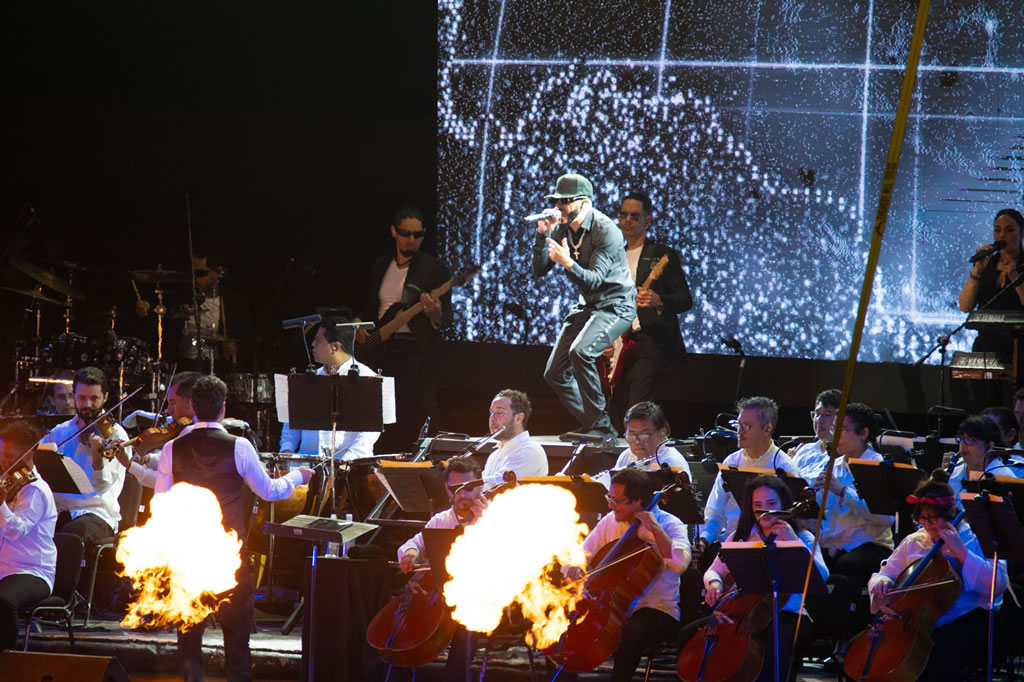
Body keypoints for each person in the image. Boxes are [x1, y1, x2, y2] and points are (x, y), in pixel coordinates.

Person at [154, 375, 313, 682]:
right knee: (238, 642)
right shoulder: (239, 446)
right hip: (231, 556)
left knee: (189, 640)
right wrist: (298, 477)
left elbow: (162, 502)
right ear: (223, 408)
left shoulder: (171, 448)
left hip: (187, 558)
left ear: (193, 407)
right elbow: (269, 490)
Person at [867, 469, 1007, 682]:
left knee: (939, 653)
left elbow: (998, 584)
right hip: (918, 620)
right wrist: (882, 581)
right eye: (923, 518)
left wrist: (961, 552)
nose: (927, 524)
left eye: (933, 518)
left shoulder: (976, 538)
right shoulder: (915, 540)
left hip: (970, 617)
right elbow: (885, 572)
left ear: (950, 512)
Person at [560, 468, 690, 681]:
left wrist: (654, 530)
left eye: (617, 501)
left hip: (656, 608)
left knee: (634, 629)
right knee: (562, 619)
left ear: (638, 502)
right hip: (610, 605)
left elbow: (679, 564)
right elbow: (580, 553)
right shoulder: (610, 521)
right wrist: (574, 566)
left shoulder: (670, 524)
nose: (610, 505)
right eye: (609, 498)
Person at [533, 173, 636, 441]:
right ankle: (595, 424)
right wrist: (541, 237)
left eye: (565, 201)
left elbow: (594, 280)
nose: (559, 206)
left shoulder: (606, 230)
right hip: (588, 306)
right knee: (554, 373)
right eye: (556, 201)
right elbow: (539, 270)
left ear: (585, 203)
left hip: (616, 305)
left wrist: (568, 263)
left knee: (581, 352)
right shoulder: (562, 227)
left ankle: (601, 427)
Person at [698, 474, 828, 682]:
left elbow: (821, 575)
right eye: (758, 505)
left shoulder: (803, 537)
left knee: (775, 637)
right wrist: (714, 582)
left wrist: (793, 542)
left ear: (783, 504)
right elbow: (713, 570)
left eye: (771, 504)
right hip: (744, 613)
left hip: (790, 614)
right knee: (693, 634)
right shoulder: (740, 537)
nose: (765, 510)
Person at [359, 206, 452, 453]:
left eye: (418, 235)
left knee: (421, 412)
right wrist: (359, 324)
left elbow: (446, 317)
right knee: (382, 414)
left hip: (415, 351)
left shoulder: (433, 268)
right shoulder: (381, 265)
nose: (412, 239)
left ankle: (430, 464)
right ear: (393, 231)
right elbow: (370, 306)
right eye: (405, 233)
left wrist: (434, 313)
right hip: (380, 349)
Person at [810, 402, 894, 659]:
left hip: (871, 545)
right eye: (834, 429)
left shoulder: (876, 465)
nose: (835, 436)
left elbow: (885, 517)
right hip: (836, 542)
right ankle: (811, 635)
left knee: (847, 567)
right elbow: (827, 515)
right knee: (806, 562)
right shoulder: (833, 465)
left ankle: (848, 639)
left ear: (863, 433)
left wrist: (843, 491)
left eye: (843, 430)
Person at [605, 191, 692, 430]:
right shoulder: (613, 256)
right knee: (616, 408)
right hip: (619, 342)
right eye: (623, 215)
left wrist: (659, 300)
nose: (627, 221)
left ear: (648, 220)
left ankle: (643, 447)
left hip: (648, 341)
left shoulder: (661, 255)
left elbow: (685, 299)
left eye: (634, 216)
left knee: (637, 407)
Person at [396, 457, 487, 678]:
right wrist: (411, 552)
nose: (463, 495)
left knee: (468, 622)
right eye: (457, 489)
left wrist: (483, 523)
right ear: (447, 490)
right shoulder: (441, 520)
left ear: (480, 487)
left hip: (484, 598)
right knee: (406, 620)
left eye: (469, 488)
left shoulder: (496, 516)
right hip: (441, 597)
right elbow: (415, 543)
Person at [695, 397, 800, 563]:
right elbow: (715, 513)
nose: (739, 431)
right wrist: (703, 540)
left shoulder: (784, 466)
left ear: (767, 429)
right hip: (731, 542)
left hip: (768, 547)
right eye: (738, 424)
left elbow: (792, 521)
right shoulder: (731, 462)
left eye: (747, 426)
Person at [41, 366, 129, 546]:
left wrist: (97, 457)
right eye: (81, 398)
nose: (87, 405)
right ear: (74, 395)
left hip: (97, 513)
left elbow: (102, 486)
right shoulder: (60, 432)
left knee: (69, 535)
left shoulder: (116, 435)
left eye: (94, 398)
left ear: (105, 397)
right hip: (60, 510)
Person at [278, 319, 381, 460]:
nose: (312, 344)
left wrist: (346, 461)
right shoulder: (310, 378)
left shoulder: (366, 377)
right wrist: (287, 449)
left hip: (352, 464)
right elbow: (293, 420)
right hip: (308, 463)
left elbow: (369, 432)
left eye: (318, 341)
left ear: (334, 347)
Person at [0, 421, 58, 652]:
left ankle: (7, 659)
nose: (3, 461)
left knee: (3, 600)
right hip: (3, 568)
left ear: (28, 455)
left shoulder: (36, 490)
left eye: (8, 456)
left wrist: (1, 505)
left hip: (31, 572)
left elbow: (16, 531)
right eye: (1, 454)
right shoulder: (7, 483)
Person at [115, 371, 202, 489]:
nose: (169, 410)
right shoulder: (191, 430)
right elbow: (169, 461)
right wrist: (148, 459)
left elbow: (166, 481)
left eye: (173, 402)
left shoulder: (193, 433)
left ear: (192, 402)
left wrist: (129, 465)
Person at [480, 389, 547, 488]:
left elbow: (499, 486)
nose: (492, 418)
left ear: (518, 418)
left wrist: (465, 483)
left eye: (499, 412)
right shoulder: (494, 455)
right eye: (491, 412)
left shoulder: (529, 450)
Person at [949, 415, 1021, 503]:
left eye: (971, 440)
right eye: (961, 439)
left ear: (990, 446)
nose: (963, 444)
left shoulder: (1005, 479)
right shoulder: (952, 474)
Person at [610, 401, 689, 474]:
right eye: (631, 435)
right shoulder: (626, 456)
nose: (637, 441)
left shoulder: (672, 463)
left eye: (644, 434)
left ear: (662, 432)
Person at [788, 389, 840, 483]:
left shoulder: (848, 456)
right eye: (817, 414)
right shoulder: (805, 451)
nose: (819, 420)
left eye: (827, 414)